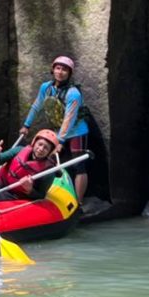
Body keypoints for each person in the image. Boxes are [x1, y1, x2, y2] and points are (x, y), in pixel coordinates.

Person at [19, 55, 90, 203]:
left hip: (76, 131)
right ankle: (44, 193)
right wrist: (27, 125)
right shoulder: (46, 87)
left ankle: (79, 202)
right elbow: (37, 105)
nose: (60, 72)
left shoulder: (73, 93)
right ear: (53, 70)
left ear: (69, 73)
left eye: (64, 69)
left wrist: (60, 140)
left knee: (78, 166)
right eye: (58, 68)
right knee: (49, 162)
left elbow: (69, 118)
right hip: (59, 132)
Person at [0, 129, 61, 203]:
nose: (41, 149)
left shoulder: (48, 172)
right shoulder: (19, 150)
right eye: (40, 144)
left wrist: (30, 190)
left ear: (50, 152)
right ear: (34, 142)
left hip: (13, 194)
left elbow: (40, 195)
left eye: (46, 148)